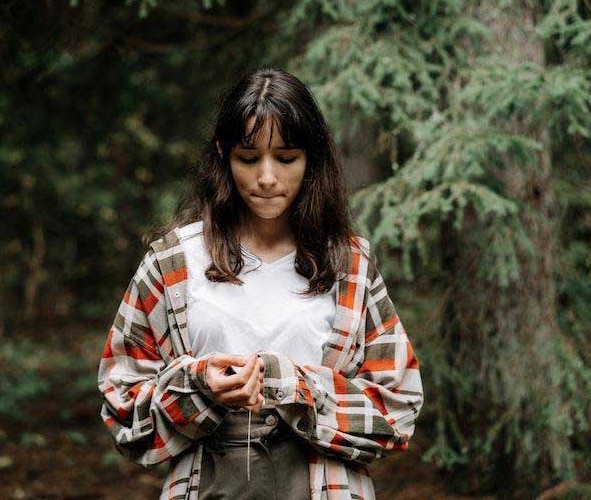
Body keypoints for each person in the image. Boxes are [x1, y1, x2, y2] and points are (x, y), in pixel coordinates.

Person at [97, 68, 424, 500]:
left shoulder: (349, 263)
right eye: (248, 158)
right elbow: (121, 407)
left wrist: (294, 386)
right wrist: (199, 387)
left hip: (324, 486)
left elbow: (397, 408)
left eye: (286, 158)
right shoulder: (175, 261)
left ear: (311, 158)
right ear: (223, 154)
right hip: (207, 483)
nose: (266, 178)